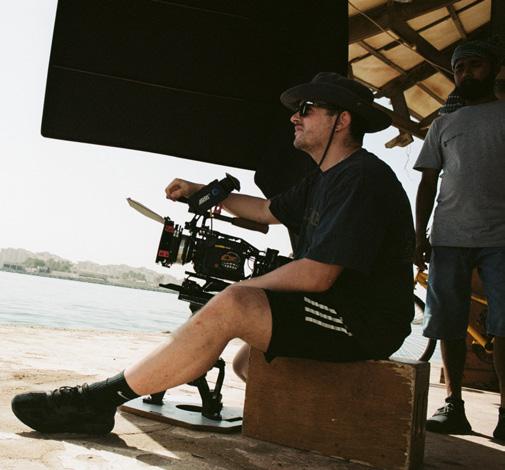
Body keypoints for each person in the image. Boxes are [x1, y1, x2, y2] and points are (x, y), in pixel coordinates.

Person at [11, 72, 415, 435]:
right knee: (246, 363)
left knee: (235, 304)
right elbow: (265, 210)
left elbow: (316, 275)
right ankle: (335, 415)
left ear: (341, 120)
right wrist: (203, 191)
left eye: (306, 109)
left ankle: (97, 402)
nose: (295, 117)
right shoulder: (323, 180)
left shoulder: (362, 178)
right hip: (333, 310)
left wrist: (239, 291)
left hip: (363, 322)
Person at [414, 40, 505, 440]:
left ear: (494, 69)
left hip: (501, 237)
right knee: (448, 322)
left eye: (475, 65)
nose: (466, 73)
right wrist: (419, 235)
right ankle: (453, 405)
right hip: (448, 237)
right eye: (459, 68)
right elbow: (427, 182)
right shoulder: (442, 124)